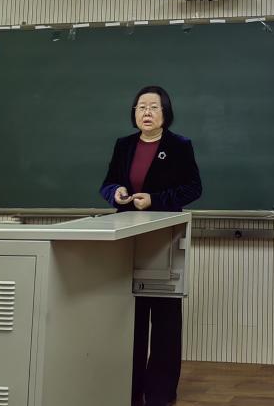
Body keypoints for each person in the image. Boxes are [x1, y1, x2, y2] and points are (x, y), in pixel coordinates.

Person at [100, 85, 202, 406]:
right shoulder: (124, 145)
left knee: (164, 317)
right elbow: (107, 184)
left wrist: (155, 200)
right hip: (128, 237)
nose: (146, 112)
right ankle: (129, 390)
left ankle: (160, 393)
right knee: (131, 314)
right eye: (141, 107)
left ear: (165, 113)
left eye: (153, 107)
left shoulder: (179, 146)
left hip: (163, 237)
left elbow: (193, 188)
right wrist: (116, 192)